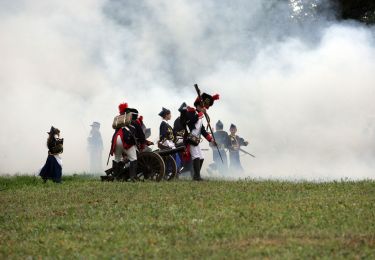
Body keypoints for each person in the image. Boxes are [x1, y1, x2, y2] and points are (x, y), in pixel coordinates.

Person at [180, 93, 219, 181]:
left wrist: (211, 140)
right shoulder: (191, 111)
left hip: (196, 140)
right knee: (196, 157)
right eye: (202, 106)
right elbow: (189, 122)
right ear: (198, 105)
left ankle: (196, 175)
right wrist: (200, 114)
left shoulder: (199, 116)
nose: (204, 108)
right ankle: (197, 177)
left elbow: (203, 131)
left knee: (201, 158)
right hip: (190, 139)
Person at [110, 103, 138, 181]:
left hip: (116, 139)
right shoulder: (132, 123)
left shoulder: (120, 122)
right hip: (125, 139)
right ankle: (133, 177)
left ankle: (116, 177)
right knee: (133, 158)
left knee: (117, 158)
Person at [158, 107, 182, 178]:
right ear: (166, 115)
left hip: (171, 143)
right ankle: (168, 173)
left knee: (174, 159)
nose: (171, 116)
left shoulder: (167, 124)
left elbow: (172, 135)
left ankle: (173, 172)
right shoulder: (163, 124)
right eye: (170, 114)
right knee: (169, 161)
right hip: (168, 144)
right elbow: (163, 136)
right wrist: (168, 145)